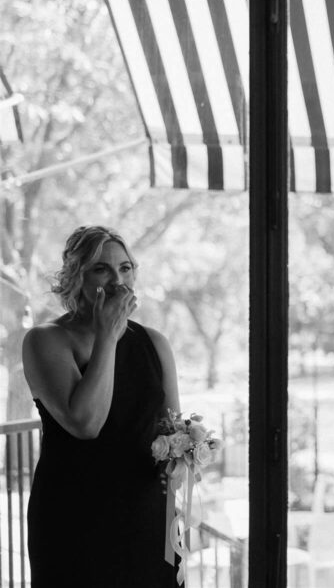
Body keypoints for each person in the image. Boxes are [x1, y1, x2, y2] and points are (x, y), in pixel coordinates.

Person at [23, 226, 180, 587]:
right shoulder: (45, 340)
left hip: (147, 517)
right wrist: (108, 333)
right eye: (101, 269)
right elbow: (85, 423)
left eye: (125, 269)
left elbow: (172, 431)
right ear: (76, 276)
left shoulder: (154, 343)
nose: (117, 281)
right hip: (75, 516)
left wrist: (190, 453)